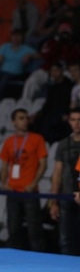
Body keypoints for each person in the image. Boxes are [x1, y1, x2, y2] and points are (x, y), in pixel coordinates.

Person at [0, 108, 48, 252]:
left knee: (34, 229)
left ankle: (38, 257)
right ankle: (14, 258)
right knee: (13, 228)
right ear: (13, 122)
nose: (25, 121)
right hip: (13, 191)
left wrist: (33, 184)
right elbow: (4, 165)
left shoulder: (37, 139)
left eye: (26, 118)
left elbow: (43, 164)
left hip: (29, 191)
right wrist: (4, 183)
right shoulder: (9, 141)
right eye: (21, 118)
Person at [21, 22, 80, 102]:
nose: (64, 35)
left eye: (66, 33)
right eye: (63, 32)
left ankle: (72, 101)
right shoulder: (51, 42)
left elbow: (74, 60)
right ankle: (25, 102)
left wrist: (68, 46)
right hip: (48, 69)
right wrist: (58, 44)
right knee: (32, 80)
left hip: (65, 71)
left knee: (75, 78)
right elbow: (46, 55)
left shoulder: (74, 46)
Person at [49, 108, 80, 255]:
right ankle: (67, 267)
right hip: (66, 196)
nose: (77, 123)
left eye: (79, 120)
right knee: (66, 239)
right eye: (73, 120)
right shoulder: (63, 144)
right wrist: (54, 202)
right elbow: (57, 174)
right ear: (69, 122)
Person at [0, 29, 39, 99]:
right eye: (14, 36)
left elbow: (39, 55)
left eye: (18, 36)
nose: (16, 38)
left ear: (22, 38)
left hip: (16, 73)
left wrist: (30, 55)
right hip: (3, 72)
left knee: (3, 82)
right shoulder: (5, 47)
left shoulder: (26, 49)